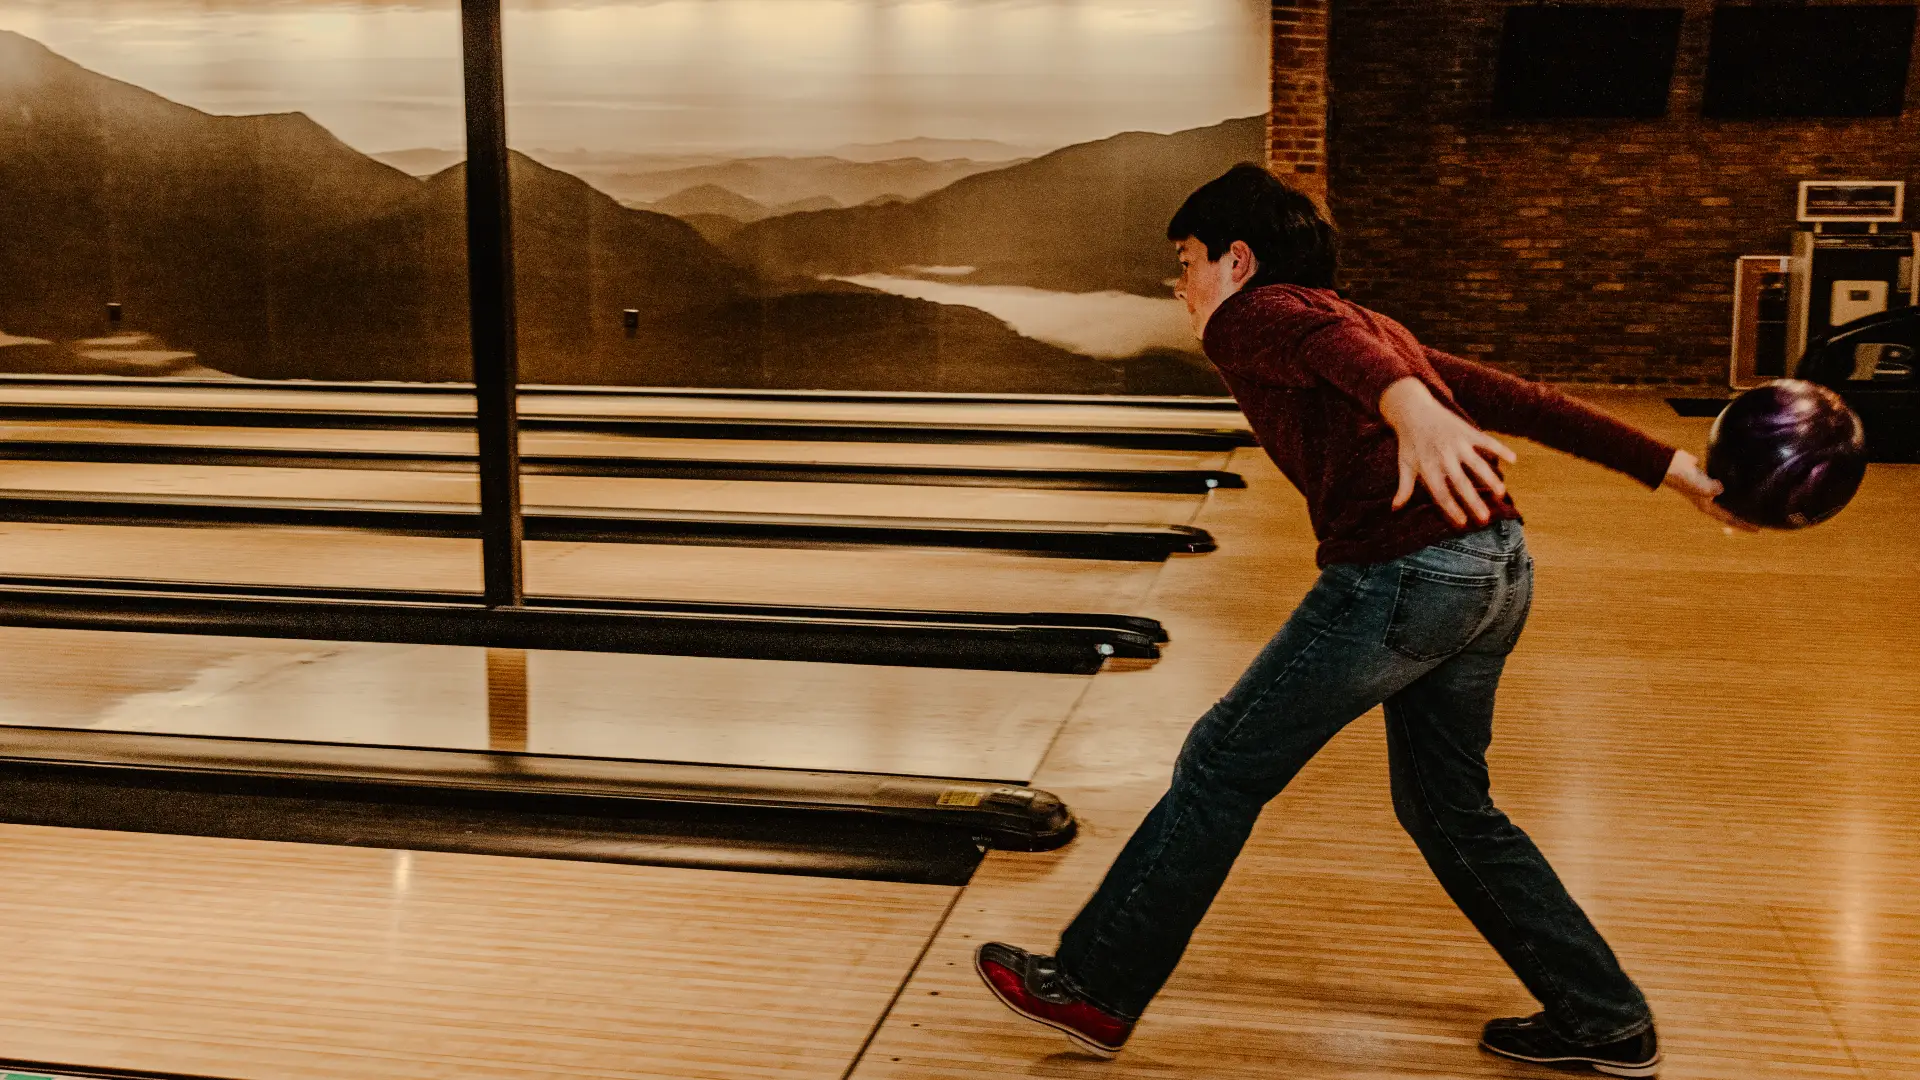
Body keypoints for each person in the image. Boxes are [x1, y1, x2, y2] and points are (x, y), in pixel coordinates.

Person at [974, 165, 1746, 1079]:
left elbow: (1332, 348)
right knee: (1450, 808)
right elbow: (1518, 399)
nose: (1179, 284)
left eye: (1185, 261)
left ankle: (1097, 987)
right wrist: (1676, 471)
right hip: (1495, 569)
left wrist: (1406, 402)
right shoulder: (1375, 325)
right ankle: (1603, 1017)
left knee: (1220, 765)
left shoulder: (1255, 315)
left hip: (1404, 577)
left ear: (1238, 259)